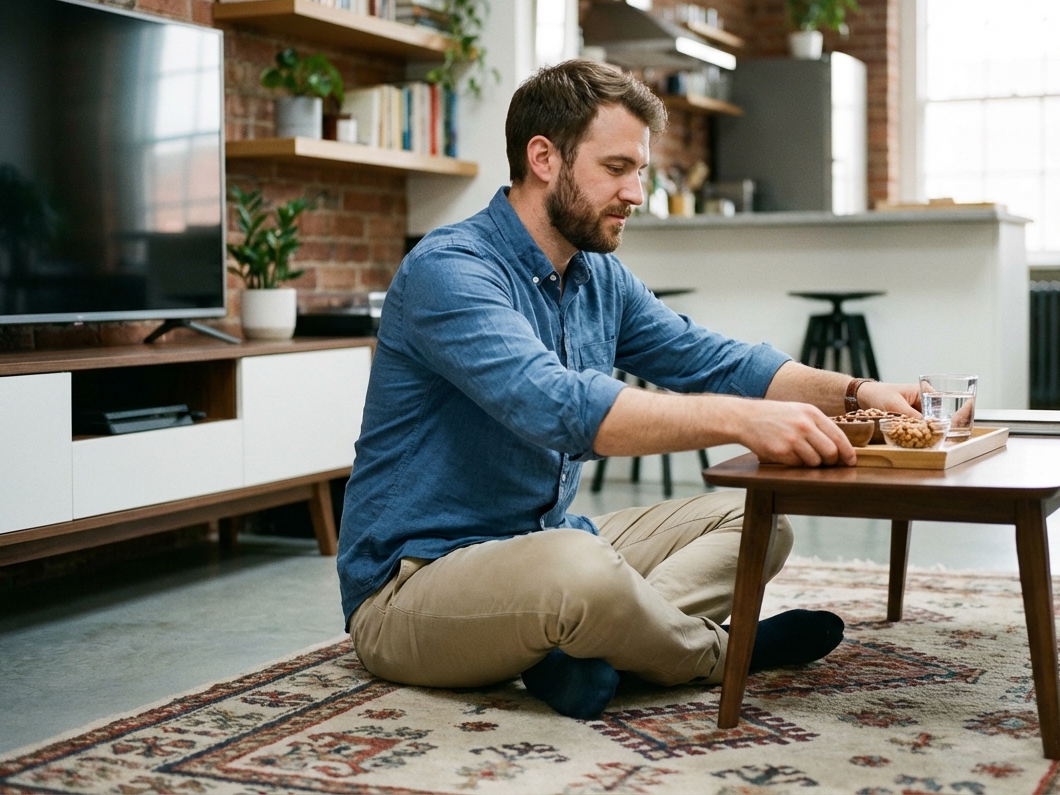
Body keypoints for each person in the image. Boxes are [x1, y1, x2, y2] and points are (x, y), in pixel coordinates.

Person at [337, 59, 921, 720]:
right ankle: (723, 653)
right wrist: (742, 423)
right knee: (579, 571)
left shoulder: (594, 277)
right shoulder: (451, 271)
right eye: (617, 168)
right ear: (544, 159)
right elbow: (555, 405)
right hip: (414, 586)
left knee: (757, 523)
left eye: (640, 170)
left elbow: (715, 360)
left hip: (546, 540)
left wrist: (857, 392)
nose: (637, 192)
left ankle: (592, 651)